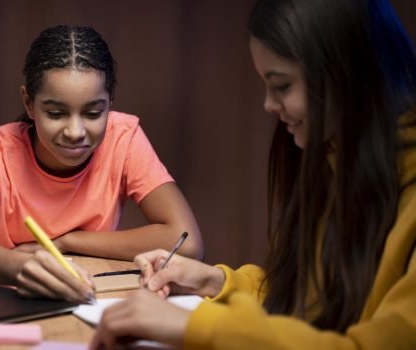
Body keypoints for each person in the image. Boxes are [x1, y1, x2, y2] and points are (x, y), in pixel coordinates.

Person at [90, 0, 416, 348]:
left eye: (282, 86)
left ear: (346, 72)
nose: (268, 105)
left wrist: (197, 325)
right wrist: (215, 281)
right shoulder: (337, 159)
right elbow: (308, 303)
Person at [0, 25, 203, 303]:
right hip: (5, 298)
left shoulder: (124, 138)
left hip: (84, 295)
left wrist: (66, 242)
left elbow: (187, 242)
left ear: (110, 103)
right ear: (29, 102)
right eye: (56, 113)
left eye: (94, 113)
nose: (75, 131)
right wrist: (25, 268)